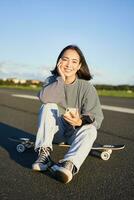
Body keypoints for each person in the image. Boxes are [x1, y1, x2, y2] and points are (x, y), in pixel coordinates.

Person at [32, 44, 104, 183]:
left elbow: (96, 117)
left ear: (79, 66)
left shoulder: (87, 87)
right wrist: (61, 78)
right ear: (59, 61)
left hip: (74, 133)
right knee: (48, 106)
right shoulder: (51, 80)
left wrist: (80, 121)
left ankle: (69, 165)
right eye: (65, 59)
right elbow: (45, 99)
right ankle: (44, 155)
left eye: (74, 61)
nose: (69, 64)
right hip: (55, 132)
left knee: (91, 129)